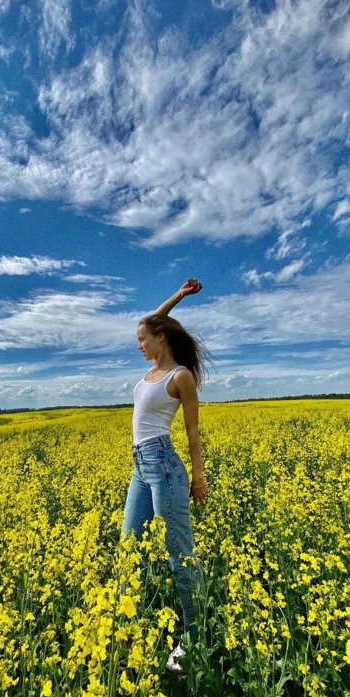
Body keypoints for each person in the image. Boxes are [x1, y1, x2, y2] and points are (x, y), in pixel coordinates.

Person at [121, 278, 208, 675]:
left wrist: (199, 478)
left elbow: (192, 431)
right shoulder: (150, 373)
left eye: (143, 339)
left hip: (165, 467)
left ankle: (193, 640)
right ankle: (125, 630)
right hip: (140, 467)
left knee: (179, 557)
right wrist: (178, 294)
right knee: (129, 549)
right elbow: (156, 319)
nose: (138, 344)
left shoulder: (180, 377)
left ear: (160, 338)